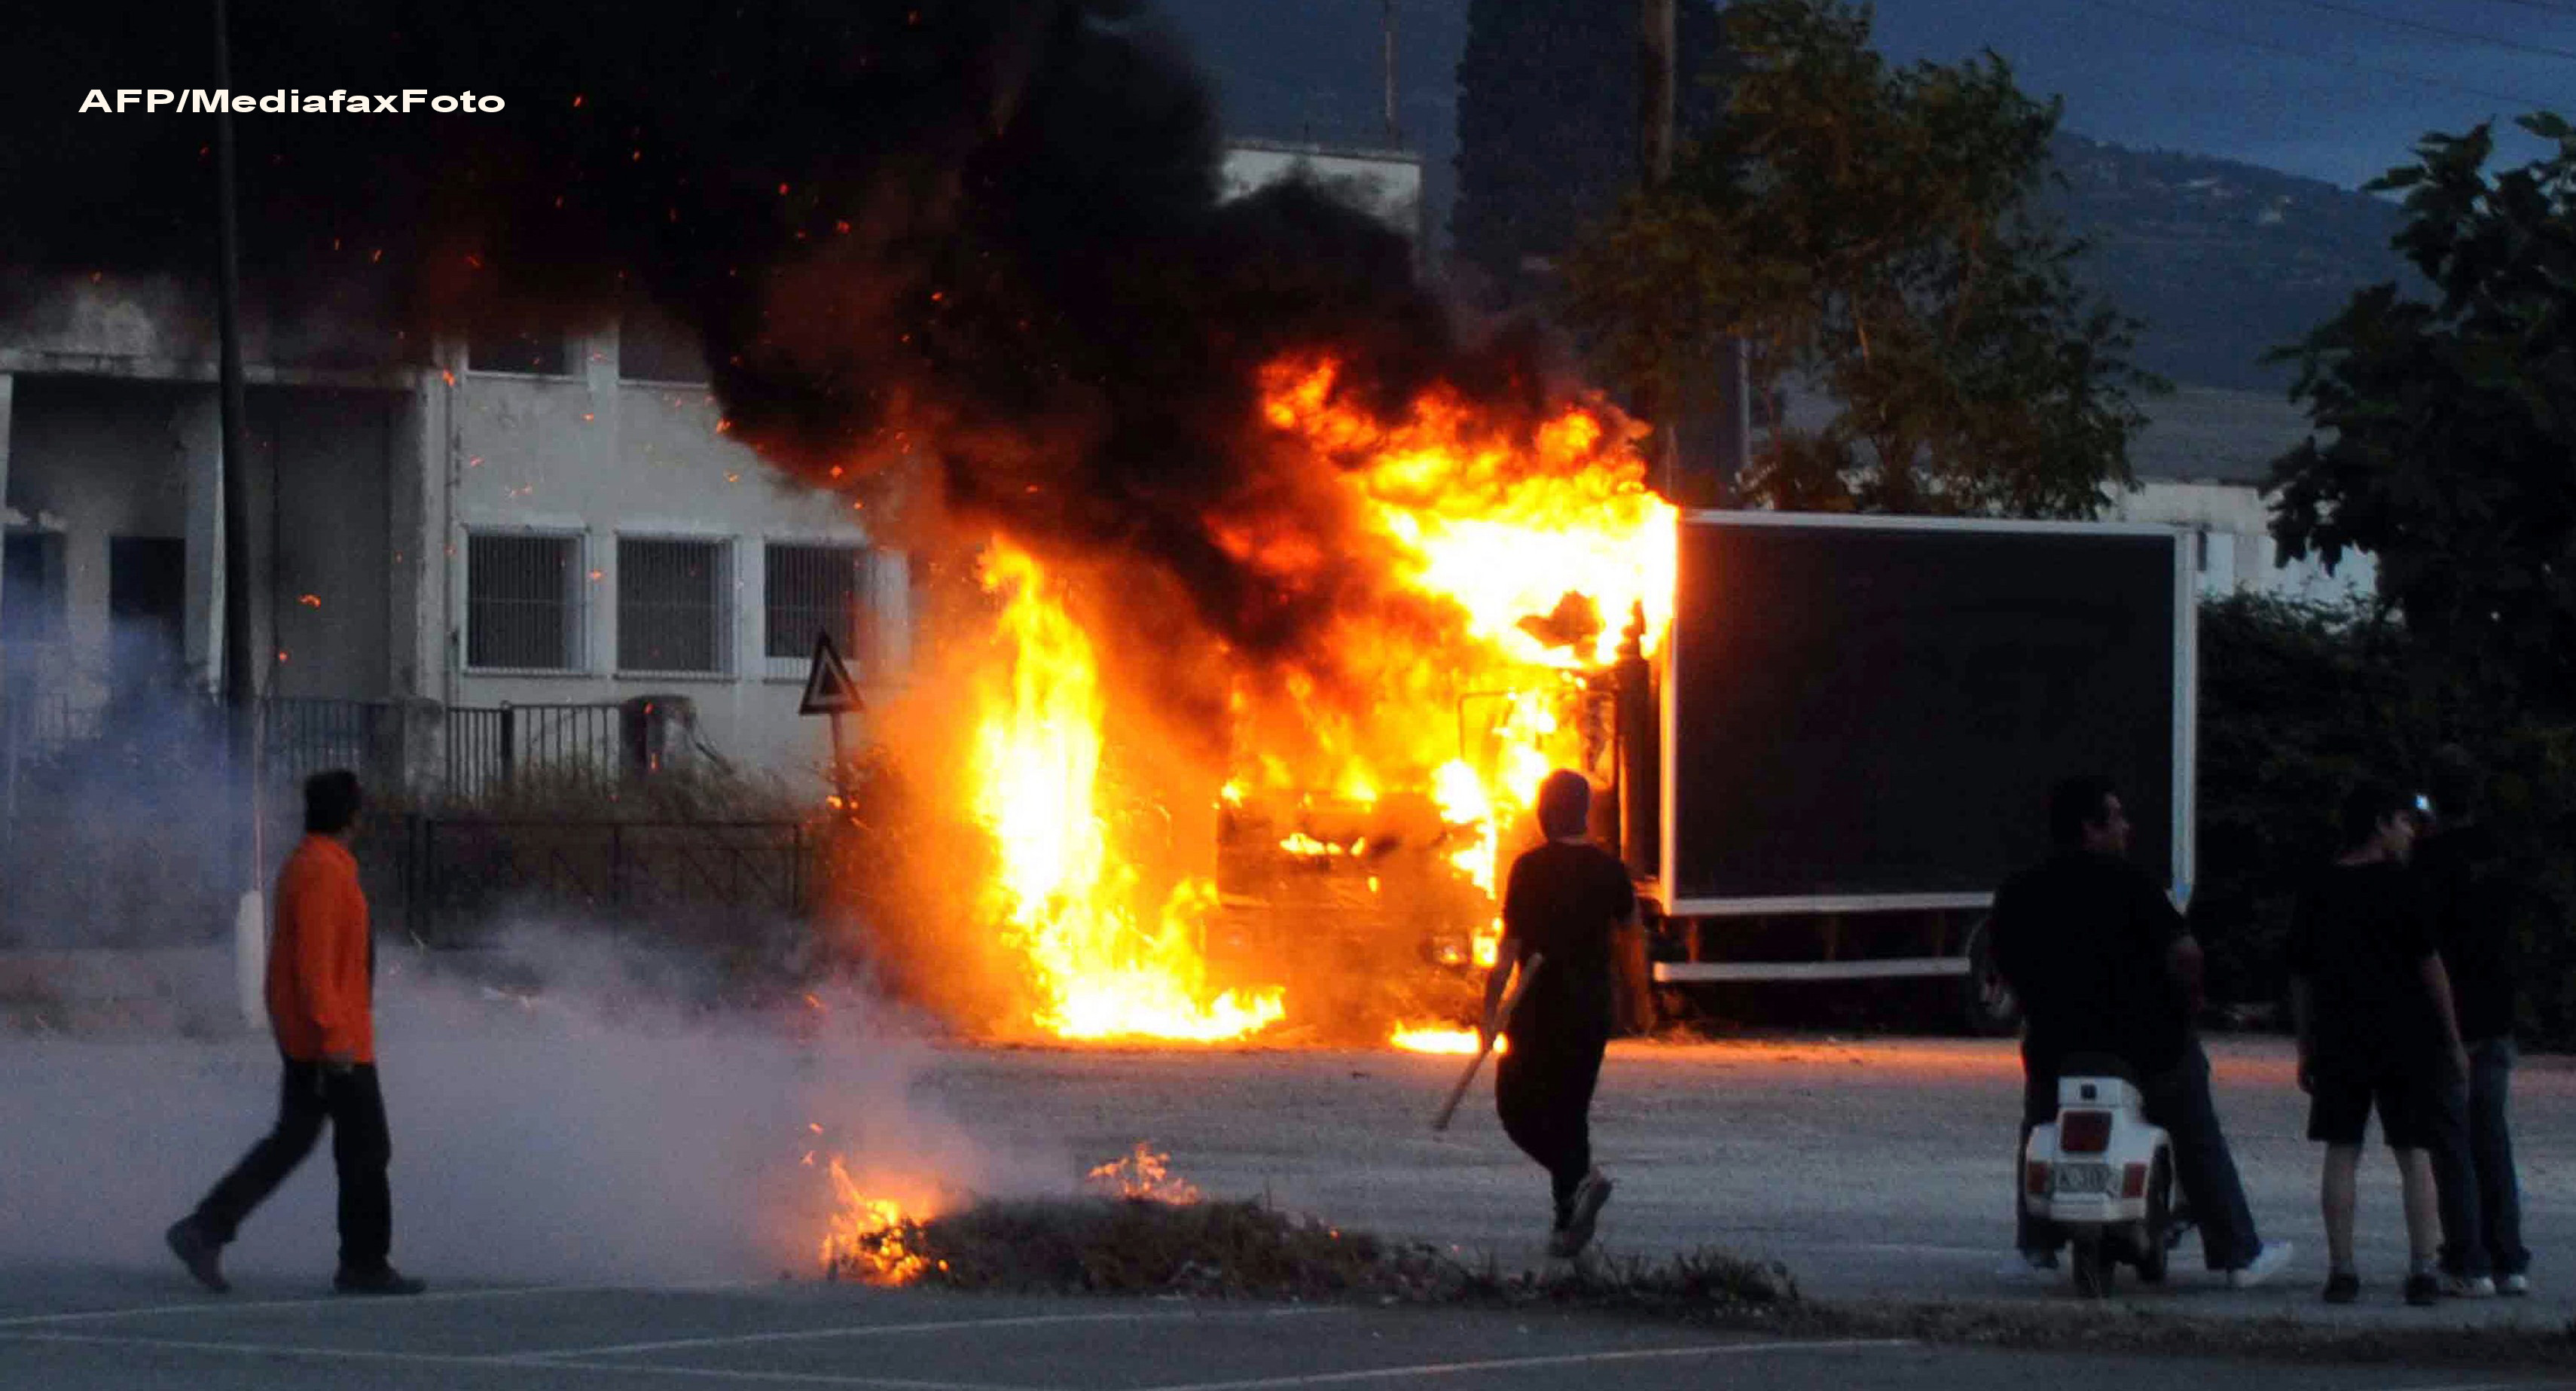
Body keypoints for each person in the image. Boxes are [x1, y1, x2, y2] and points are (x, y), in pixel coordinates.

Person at [1992, 775, 2291, 1287]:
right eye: (2117, 816)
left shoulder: (2019, 891)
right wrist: (2189, 1001)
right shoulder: (2131, 884)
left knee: (2039, 1123)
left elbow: (2004, 964)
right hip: (2146, 1049)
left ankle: (2034, 1245)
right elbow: (2186, 953)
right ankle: (2238, 1250)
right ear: (2092, 827)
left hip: (2057, 1050)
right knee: (2196, 1131)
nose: (2127, 827)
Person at [166, 770, 425, 1296]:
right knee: (366, 1147)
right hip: (332, 1042)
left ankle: (206, 1228)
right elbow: (313, 965)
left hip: (323, 1035)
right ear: (353, 815)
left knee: (295, 1140)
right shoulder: (323, 871)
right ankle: (363, 1262)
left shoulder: (316, 864)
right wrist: (334, 1038)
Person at [2290, 779, 2473, 1307]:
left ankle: (2342, 1269)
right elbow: (2429, 964)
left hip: (2340, 1034)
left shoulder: (2320, 885)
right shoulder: (2403, 885)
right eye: (2400, 821)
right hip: (2405, 1036)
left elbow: (2300, 975)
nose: (2409, 831)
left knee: (2342, 1150)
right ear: (2378, 825)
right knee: (2414, 1153)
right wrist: (2452, 1037)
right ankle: (2421, 1268)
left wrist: (2306, 1045)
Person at [1480, 769, 1635, 1259]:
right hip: (1591, 1012)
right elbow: (1632, 939)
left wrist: (1489, 1013)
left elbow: (1508, 951)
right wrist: (1636, 1001)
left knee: (1516, 1109)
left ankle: (1578, 1184)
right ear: (1583, 812)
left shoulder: (1529, 869)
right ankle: (1569, 1223)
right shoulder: (1610, 870)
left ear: (1547, 812)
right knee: (1571, 1116)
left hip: (1538, 1014)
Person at [2416, 749, 2531, 1297]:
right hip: (2498, 1007)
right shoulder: (2500, 852)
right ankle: (2509, 1256)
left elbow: (2422, 942)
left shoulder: (2429, 860)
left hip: (2452, 1015)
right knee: (2492, 1135)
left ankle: (2467, 1257)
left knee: (2451, 1140)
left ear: (2433, 800)